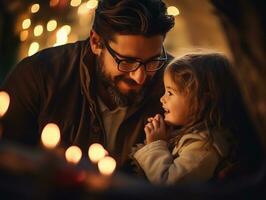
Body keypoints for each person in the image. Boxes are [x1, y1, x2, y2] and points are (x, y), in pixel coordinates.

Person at [0, 0, 175, 173]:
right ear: (96, 42)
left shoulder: (179, 83)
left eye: (153, 61)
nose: (140, 77)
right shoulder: (39, 75)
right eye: (127, 61)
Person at [132, 52, 244, 185]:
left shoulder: (205, 147)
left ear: (202, 100)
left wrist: (155, 145)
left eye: (170, 92)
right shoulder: (189, 137)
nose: (162, 99)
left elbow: (169, 184)